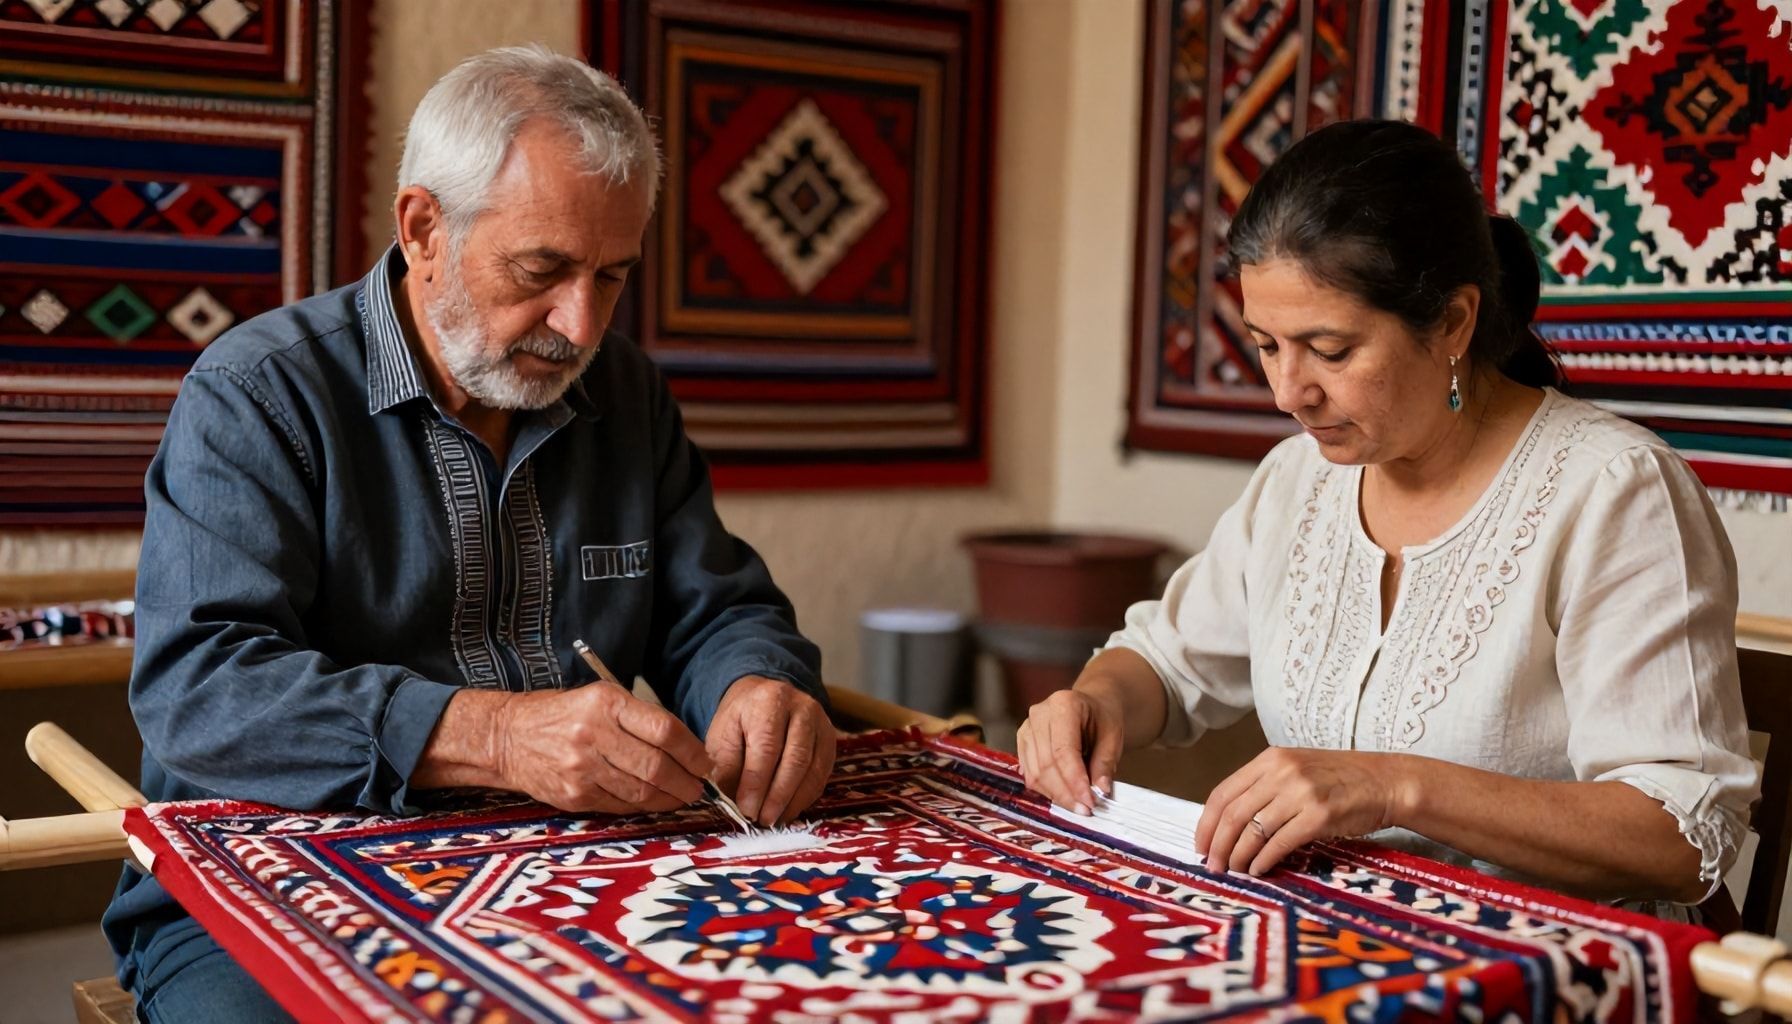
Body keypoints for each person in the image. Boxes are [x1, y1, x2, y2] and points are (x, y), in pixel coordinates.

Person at [103, 45, 835, 1022]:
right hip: (275, 884)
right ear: (423, 230)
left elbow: (717, 608)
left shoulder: (626, 395)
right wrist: (489, 734)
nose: (578, 325)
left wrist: (756, 683)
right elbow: (200, 689)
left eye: (612, 276)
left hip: (572, 871)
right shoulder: (259, 394)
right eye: (543, 269)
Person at [1018, 119, 1758, 912]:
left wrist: (1394, 786)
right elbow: (1165, 663)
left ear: (1451, 323)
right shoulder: (1296, 482)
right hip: (1332, 940)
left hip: (1549, 969)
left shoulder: (1615, 491)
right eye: (1266, 345)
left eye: (1330, 351)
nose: (1287, 393)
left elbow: (1681, 838)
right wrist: (1094, 701)